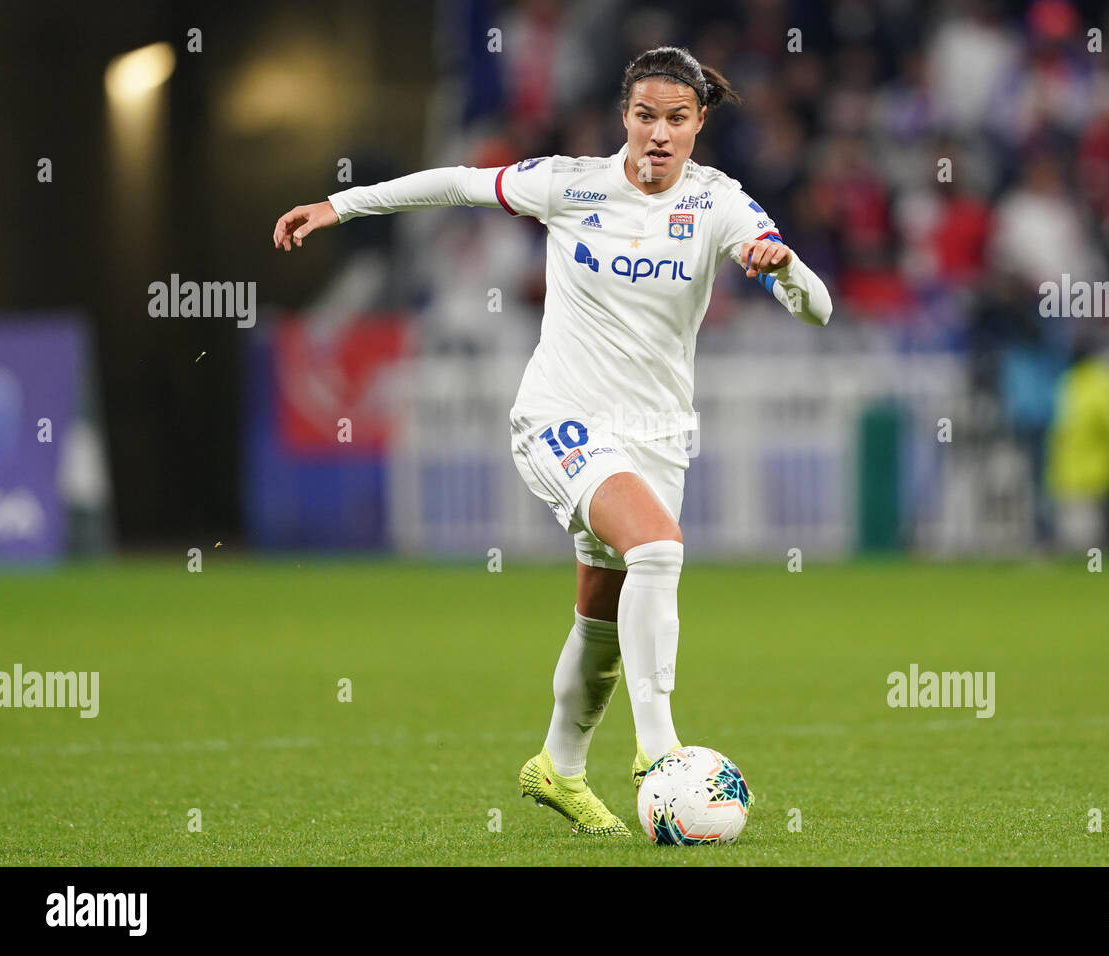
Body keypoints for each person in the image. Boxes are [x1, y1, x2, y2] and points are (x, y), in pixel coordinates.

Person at [272, 46, 833, 835]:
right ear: (624, 117)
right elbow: (458, 183)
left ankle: (559, 768)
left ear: (701, 121)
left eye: (678, 118)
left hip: (657, 437)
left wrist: (786, 271)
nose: (660, 134)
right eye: (646, 116)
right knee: (659, 551)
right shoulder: (571, 183)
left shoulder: (722, 205)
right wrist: (343, 205)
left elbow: (819, 311)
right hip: (559, 416)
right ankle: (658, 752)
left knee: (602, 625)